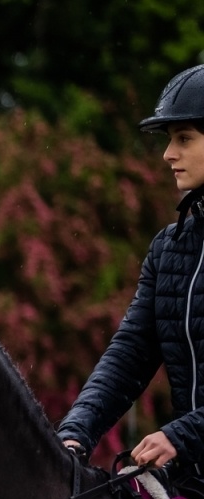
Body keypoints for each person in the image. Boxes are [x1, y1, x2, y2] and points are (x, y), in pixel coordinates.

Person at [59, 65, 204, 475]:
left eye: (184, 139)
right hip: (192, 479)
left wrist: (181, 435)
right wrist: (75, 432)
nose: (168, 153)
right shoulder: (167, 248)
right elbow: (130, 354)